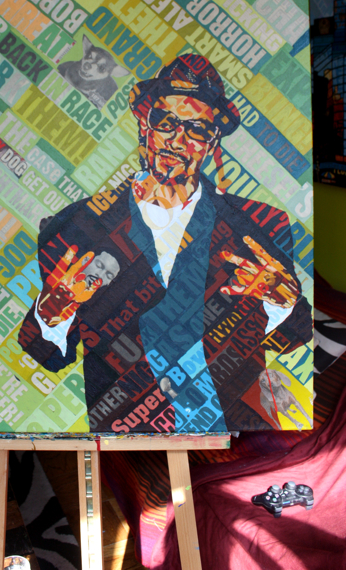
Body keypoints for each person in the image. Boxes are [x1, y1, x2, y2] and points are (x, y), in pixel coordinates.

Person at [19, 54, 312, 433]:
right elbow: (48, 356)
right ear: (145, 124)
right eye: (166, 122)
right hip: (130, 436)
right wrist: (50, 315)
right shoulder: (74, 225)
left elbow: (293, 336)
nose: (177, 139)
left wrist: (281, 303)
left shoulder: (262, 224)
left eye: (196, 129)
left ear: (212, 140)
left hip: (237, 434)